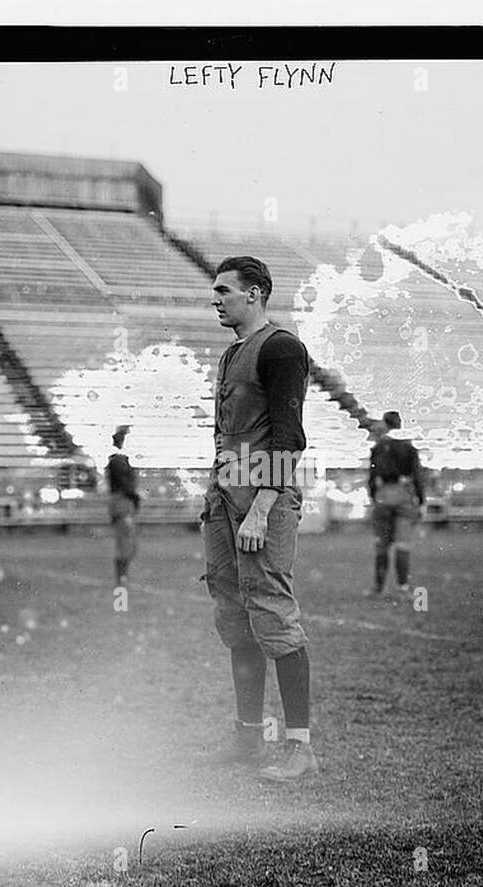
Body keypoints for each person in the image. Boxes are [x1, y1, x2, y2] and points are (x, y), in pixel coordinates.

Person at [200, 256, 317, 781]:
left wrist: (264, 509)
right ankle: (247, 739)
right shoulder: (231, 353)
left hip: (261, 497)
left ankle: (299, 746)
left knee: (271, 609)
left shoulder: (281, 347)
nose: (216, 299)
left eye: (225, 291)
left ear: (255, 294)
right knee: (234, 613)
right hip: (224, 497)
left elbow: (289, 437)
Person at [368, 410, 425, 596]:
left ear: (385, 424)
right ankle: (403, 587)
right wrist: (421, 500)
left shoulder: (378, 447)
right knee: (402, 544)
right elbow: (417, 475)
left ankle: (378, 588)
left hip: (383, 493)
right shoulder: (409, 447)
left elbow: (371, 477)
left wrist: (375, 496)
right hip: (403, 493)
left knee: (382, 544)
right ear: (400, 424)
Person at [105, 425, 140, 586]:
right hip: (122, 503)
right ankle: (121, 577)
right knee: (125, 542)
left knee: (128, 543)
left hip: (123, 503)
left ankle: (122, 576)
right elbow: (125, 485)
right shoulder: (118, 461)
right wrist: (135, 497)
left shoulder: (119, 460)